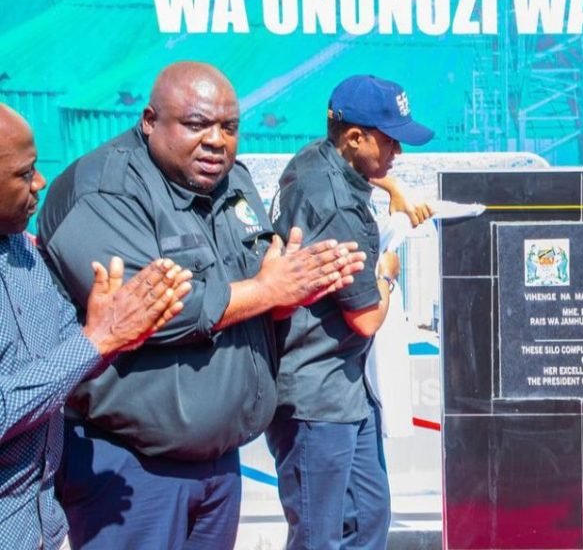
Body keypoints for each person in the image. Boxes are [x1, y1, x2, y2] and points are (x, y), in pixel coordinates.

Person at [35, 62, 367, 549]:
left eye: (229, 127)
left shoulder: (234, 182)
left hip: (218, 465)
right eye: (197, 124)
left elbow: (259, 281)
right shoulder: (104, 190)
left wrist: (291, 293)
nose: (216, 141)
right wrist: (267, 291)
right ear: (150, 121)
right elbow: (147, 311)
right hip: (131, 469)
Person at [0, 104, 192, 548]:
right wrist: (97, 340)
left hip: (40, 528)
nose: (40, 182)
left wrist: (119, 332)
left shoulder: (23, 251)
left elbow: (65, 357)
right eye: (24, 173)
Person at [265, 75, 435, 549]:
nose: (398, 150)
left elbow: (357, 175)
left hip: (346, 391)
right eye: (390, 140)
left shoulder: (314, 159)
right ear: (355, 137)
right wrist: (389, 272)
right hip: (315, 397)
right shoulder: (337, 207)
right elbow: (367, 318)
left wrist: (390, 185)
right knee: (320, 536)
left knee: (369, 517)